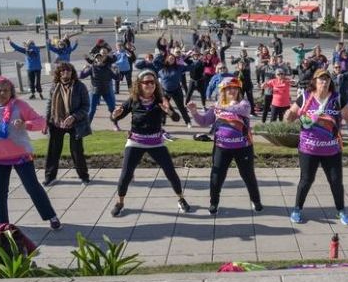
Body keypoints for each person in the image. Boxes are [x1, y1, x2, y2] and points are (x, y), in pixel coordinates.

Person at [0, 77, 61, 229]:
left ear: (11, 92)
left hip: (21, 155)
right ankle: (2, 224)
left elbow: (41, 121)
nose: (2, 93)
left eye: (6, 90)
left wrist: (26, 124)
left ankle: (51, 217)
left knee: (32, 187)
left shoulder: (19, 105)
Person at [108, 71, 191, 217]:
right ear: (139, 85)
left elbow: (177, 118)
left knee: (170, 172)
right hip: (135, 142)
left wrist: (169, 112)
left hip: (156, 142)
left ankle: (181, 198)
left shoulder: (160, 99)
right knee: (126, 174)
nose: (150, 85)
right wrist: (114, 115)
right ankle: (120, 202)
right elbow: (117, 116)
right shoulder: (133, 100)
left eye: (153, 82)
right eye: (146, 82)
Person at [285, 68, 348, 226]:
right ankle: (297, 209)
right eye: (321, 79)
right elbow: (290, 117)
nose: (324, 82)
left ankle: (341, 210)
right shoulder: (305, 97)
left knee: (336, 181)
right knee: (306, 180)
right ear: (314, 81)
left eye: (327, 79)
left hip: (332, 149)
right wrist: (288, 115)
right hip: (308, 149)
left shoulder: (338, 98)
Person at [188, 77, 262, 215]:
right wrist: (194, 112)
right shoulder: (218, 105)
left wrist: (219, 107)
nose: (232, 90)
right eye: (228, 88)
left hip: (243, 147)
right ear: (223, 90)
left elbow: (241, 110)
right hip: (222, 148)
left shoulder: (244, 103)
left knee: (248, 175)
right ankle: (213, 203)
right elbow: (204, 121)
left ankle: (256, 201)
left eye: (234, 88)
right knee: (216, 177)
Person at [43, 62, 91, 186]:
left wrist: (74, 117)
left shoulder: (80, 86)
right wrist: (46, 122)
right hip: (56, 122)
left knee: (76, 151)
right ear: (58, 73)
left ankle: (84, 177)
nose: (66, 73)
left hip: (75, 124)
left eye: (68, 70)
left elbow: (86, 106)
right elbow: (49, 105)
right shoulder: (54, 86)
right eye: (63, 71)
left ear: (72, 72)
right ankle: (50, 177)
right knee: (53, 151)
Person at [80, 50, 117, 125]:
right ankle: (86, 126)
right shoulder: (92, 68)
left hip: (106, 91)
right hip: (95, 91)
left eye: (100, 57)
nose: (98, 59)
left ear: (103, 59)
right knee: (91, 110)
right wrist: (83, 69)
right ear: (95, 60)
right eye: (97, 58)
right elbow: (81, 76)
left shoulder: (107, 68)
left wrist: (116, 70)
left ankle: (115, 125)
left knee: (112, 109)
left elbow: (117, 78)